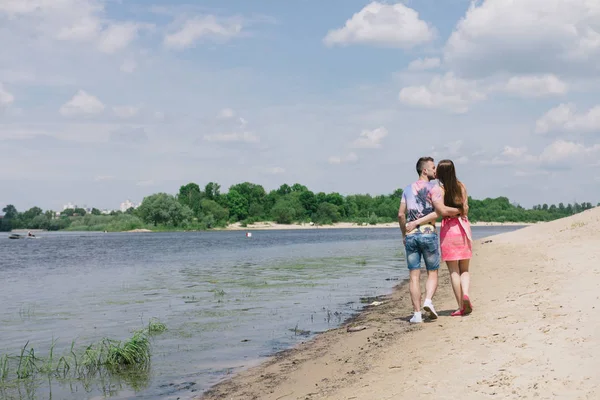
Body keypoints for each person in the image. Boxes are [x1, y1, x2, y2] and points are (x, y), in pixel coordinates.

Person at [398, 157, 461, 323]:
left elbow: (400, 214)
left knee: (414, 275)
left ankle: (417, 314)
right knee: (432, 272)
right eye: (433, 168)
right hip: (428, 234)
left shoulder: (407, 189)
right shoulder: (435, 189)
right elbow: (438, 212)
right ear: (424, 170)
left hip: (411, 237)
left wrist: (404, 233)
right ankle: (428, 301)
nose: (436, 171)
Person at [407, 159, 473, 316]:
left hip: (449, 230)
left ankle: (460, 306)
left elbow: (441, 211)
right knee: (464, 269)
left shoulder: (439, 190)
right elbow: (465, 208)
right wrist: (459, 210)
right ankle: (466, 294)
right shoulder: (462, 186)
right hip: (463, 228)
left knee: (453, 271)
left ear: (440, 174)